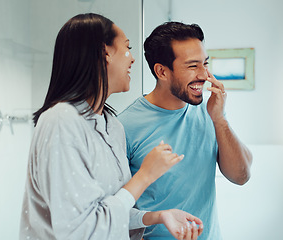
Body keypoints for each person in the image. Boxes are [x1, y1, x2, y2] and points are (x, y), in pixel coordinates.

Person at [19, 14, 204, 240]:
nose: (133, 59)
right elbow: (82, 231)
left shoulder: (112, 125)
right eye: (127, 47)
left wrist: (156, 216)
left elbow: (110, 212)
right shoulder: (61, 121)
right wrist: (145, 175)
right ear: (105, 53)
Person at [118, 21, 253, 239]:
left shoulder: (210, 113)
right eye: (192, 66)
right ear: (161, 71)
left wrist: (219, 119)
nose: (204, 75)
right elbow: (116, 209)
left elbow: (241, 176)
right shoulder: (125, 126)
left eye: (205, 63)